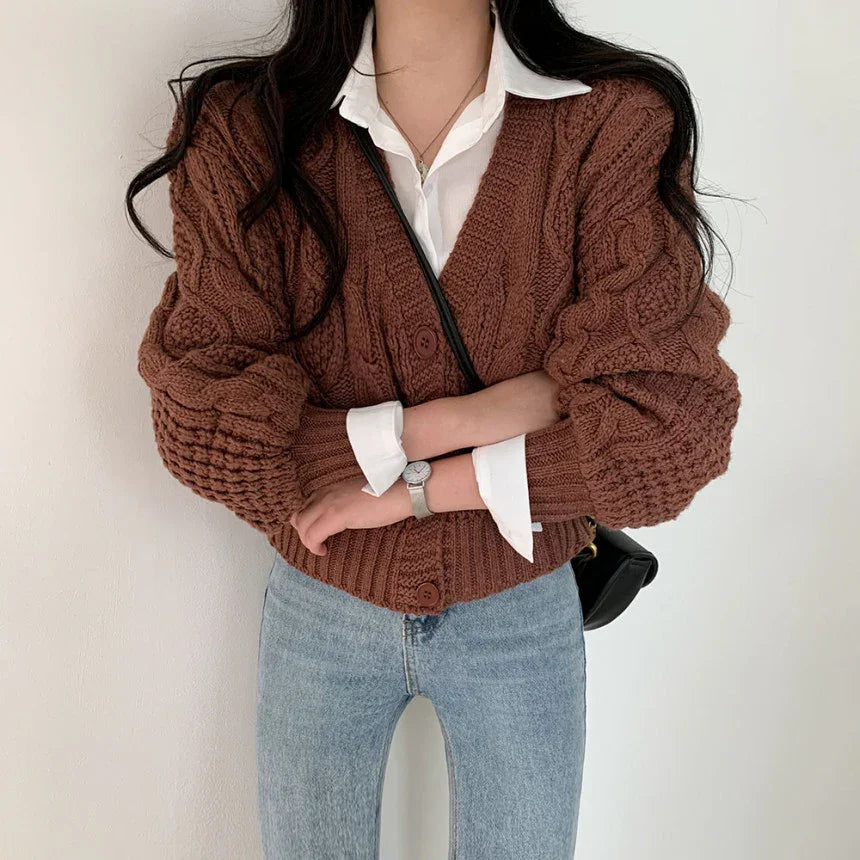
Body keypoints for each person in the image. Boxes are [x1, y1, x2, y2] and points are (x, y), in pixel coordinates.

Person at [126, 1, 741, 856]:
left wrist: (405, 489)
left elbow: (664, 431)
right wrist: (504, 408)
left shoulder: (611, 121)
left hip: (520, 597)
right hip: (323, 599)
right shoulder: (245, 130)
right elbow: (209, 427)